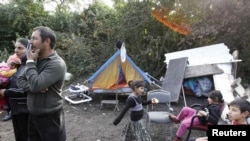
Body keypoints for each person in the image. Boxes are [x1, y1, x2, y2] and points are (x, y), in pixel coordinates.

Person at [17, 26, 67, 141]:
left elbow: (36, 84)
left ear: (47, 41)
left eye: (34, 38)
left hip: (50, 118)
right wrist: (35, 87)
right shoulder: (35, 59)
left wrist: (29, 62)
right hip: (33, 116)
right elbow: (20, 80)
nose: (30, 42)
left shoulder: (56, 64)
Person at [0, 38, 29, 141]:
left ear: (29, 49)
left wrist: (6, 92)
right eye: (15, 47)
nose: (16, 50)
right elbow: (13, 84)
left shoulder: (30, 67)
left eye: (20, 48)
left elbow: (28, 91)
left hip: (25, 111)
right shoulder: (21, 66)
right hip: (16, 110)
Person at [0, 54, 21, 121]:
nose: (12, 66)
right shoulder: (5, 68)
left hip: (8, 87)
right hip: (3, 84)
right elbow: (5, 74)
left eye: (15, 65)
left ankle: (9, 112)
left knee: (7, 100)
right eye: (11, 64)